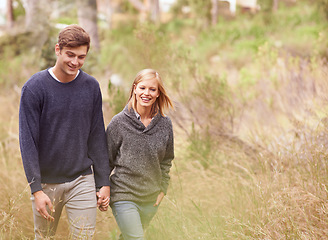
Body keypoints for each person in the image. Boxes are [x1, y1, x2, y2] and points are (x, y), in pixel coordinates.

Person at [19, 24, 110, 239]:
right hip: (46, 183)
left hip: (81, 179)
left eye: (81, 57)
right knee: (44, 237)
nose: (75, 62)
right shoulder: (34, 88)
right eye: (70, 55)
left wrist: (104, 181)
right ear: (57, 49)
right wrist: (36, 190)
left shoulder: (91, 86)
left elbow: (97, 136)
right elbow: (28, 142)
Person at [104, 69, 175, 240]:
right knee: (136, 238)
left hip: (151, 198)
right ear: (135, 88)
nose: (146, 93)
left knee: (130, 237)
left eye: (152, 89)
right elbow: (106, 161)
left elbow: (166, 160)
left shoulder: (165, 124)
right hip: (124, 194)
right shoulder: (118, 123)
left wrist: (163, 188)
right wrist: (103, 188)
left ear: (158, 93)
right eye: (142, 88)